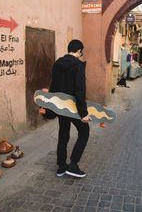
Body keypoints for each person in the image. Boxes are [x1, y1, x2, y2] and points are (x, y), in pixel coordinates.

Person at [48, 39, 90, 178]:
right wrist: (83, 113)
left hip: (60, 106)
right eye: (81, 52)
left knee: (63, 134)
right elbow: (79, 90)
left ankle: (61, 166)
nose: (81, 54)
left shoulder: (57, 63)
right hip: (73, 107)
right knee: (84, 131)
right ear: (79, 51)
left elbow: (53, 85)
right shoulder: (77, 65)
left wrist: (50, 108)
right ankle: (73, 165)